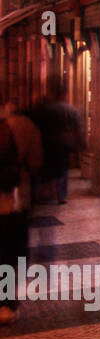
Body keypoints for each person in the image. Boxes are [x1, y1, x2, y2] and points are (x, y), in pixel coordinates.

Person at [0, 94, 42, 325]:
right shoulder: (24, 125)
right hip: (14, 200)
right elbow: (36, 162)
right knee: (8, 253)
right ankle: (5, 303)